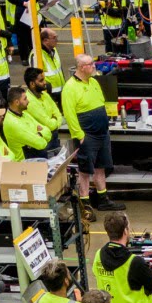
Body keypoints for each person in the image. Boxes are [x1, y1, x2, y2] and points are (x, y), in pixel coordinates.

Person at [62, 53, 113, 212]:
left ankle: (102, 198)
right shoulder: (70, 87)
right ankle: (85, 203)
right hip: (87, 134)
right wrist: (79, 135)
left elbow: (101, 103)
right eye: (91, 64)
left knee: (100, 166)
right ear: (82, 67)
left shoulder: (94, 82)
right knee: (84, 170)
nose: (94, 67)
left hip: (102, 132)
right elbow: (69, 114)